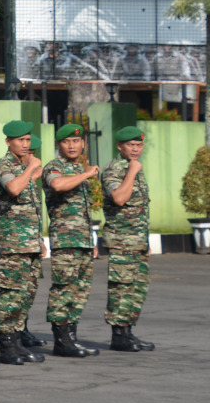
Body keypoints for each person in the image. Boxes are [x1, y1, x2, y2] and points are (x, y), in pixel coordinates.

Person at [42, 123, 102, 357]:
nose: (72, 145)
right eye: (67, 141)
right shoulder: (55, 167)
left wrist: (92, 240)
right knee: (63, 290)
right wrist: (86, 173)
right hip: (65, 241)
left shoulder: (78, 169)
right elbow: (57, 184)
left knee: (80, 291)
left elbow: (83, 212)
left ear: (83, 143)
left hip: (83, 241)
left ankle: (72, 338)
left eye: (76, 141)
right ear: (59, 145)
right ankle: (61, 340)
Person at [0, 121, 47, 365]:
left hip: (30, 243)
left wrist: (39, 240)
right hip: (14, 244)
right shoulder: (6, 165)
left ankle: (16, 340)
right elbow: (13, 189)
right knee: (11, 295)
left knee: (26, 295)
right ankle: (6, 345)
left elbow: (31, 210)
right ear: (8, 142)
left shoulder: (21, 166)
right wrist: (32, 169)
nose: (25, 144)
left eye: (27, 140)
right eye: (20, 140)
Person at [102, 125, 154, 351]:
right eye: (131, 145)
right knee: (121, 289)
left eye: (139, 145)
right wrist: (131, 172)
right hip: (122, 242)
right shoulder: (114, 171)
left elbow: (140, 211)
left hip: (137, 242)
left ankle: (128, 331)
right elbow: (120, 198)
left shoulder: (136, 169)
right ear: (119, 146)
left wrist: (146, 241)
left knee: (137, 289)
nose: (135, 149)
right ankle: (118, 336)